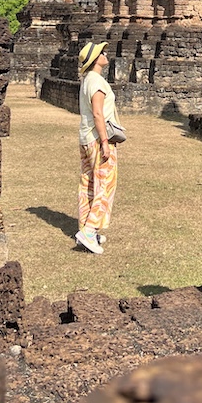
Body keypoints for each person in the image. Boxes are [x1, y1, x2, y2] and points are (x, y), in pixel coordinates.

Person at [75, 40, 119, 254]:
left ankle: (85, 227)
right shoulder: (97, 82)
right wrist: (105, 142)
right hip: (97, 138)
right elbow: (98, 114)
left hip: (85, 138)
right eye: (102, 52)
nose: (106, 54)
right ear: (95, 60)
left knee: (88, 183)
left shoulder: (87, 80)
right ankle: (90, 230)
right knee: (105, 183)